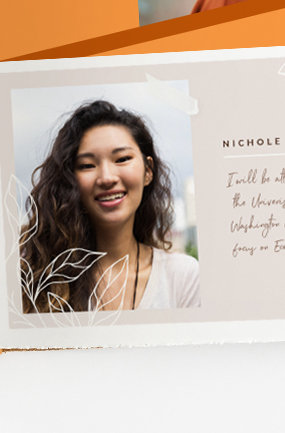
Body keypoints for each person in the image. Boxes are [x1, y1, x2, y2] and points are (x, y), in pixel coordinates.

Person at [21, 100, 200, 313]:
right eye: (87, 165)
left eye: (122, 159)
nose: (106, 178)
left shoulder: (182, 276)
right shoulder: (39, 280)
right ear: (70, 181)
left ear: (148, 171)